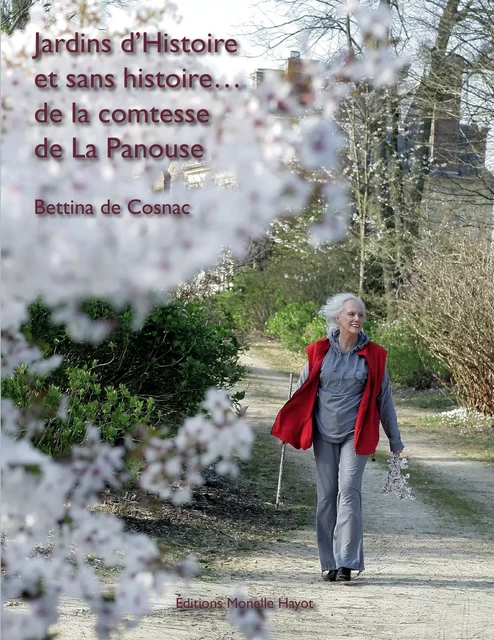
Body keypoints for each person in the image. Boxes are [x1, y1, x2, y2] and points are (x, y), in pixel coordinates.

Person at [271, 293, 404, 582]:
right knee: (327, 497)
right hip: (323, 432)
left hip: (355, 436)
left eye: (361, 315)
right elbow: (302, 392)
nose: (357, 319)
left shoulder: (374, 356)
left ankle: (346, 562)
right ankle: (328, 562)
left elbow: (385, 401)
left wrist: (395, 441)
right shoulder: (319, 351)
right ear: (338, 318)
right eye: (352, 315)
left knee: (349, 491)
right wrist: (286, 429)